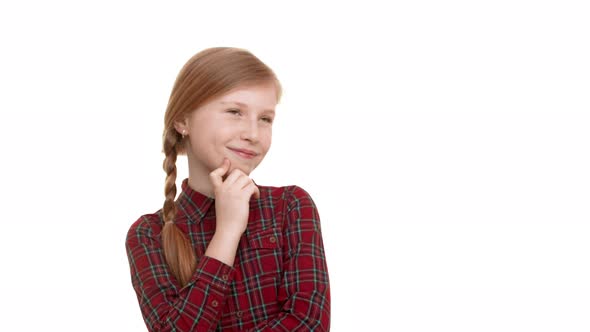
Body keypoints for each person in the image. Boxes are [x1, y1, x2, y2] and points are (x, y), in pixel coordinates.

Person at [125, 47, 331, 331]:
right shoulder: (148, 235)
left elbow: (308, 324)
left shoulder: (291, 206)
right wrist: (227, 232)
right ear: (184, 120)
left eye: (265, 119)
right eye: (235, 112)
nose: (252, 134)